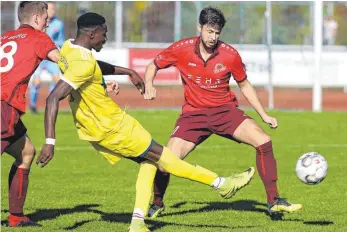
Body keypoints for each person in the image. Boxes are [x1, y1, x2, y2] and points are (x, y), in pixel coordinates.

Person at [36, 12, 255, 232]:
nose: (106, 38)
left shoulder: (68, 48)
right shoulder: (82, 65)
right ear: (92, 34)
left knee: (148, 162)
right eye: (104, 33)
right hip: (114, 126)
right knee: (165, 159)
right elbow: (53, 97)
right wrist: (49, 141)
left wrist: (127, 72)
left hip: (94, 129)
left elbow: (91, 66)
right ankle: (222, 184)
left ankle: (137, 222)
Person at [143, 6, 302, 218]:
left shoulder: (230, 55)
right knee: (166, 160)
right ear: (199, 28)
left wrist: (264, 115)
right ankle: (157, 203)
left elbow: (244, 85)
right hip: (193, 116)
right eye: (209, 31)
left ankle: (273, 201)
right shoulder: (181, 48)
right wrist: (148, 84)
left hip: (226, 112)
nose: (213, 37)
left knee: (263, 141)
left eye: (217, 32)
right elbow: (153, 65)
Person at [1, 1, 60, 227]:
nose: (47, 23)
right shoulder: (38, 38)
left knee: (26, 152)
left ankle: (16, 216)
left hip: (6, 108)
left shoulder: (4, 37)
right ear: (36, 19)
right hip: (4, 107)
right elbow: (63, 61)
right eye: (46, 19)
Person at [29, 1, 65, 114]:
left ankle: (49, 102)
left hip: (51, 57)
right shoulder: (36, 23)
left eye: (53, 9)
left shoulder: (59, 24)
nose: (52, 11)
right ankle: (32, 106)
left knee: (57, 80)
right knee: (36, 82)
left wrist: (57, 48)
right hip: (39, 58)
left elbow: (61, 40)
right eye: (49, 9)